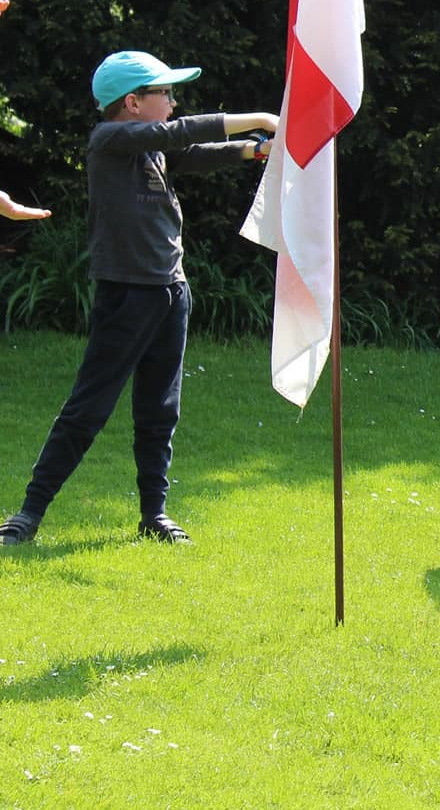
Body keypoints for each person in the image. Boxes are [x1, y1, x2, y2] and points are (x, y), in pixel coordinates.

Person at [1, 52, 276, 547]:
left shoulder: (150, 149)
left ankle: (155, 515)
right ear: (131, 103)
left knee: (160, 409)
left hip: (172, 292)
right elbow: (177, 135)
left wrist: (254, 153)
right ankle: (27, 516)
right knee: (88, 408)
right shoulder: (109, 141)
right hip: (126, 294)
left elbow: (190, 153)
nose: (172, 103)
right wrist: (259, 120)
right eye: (164, 94)